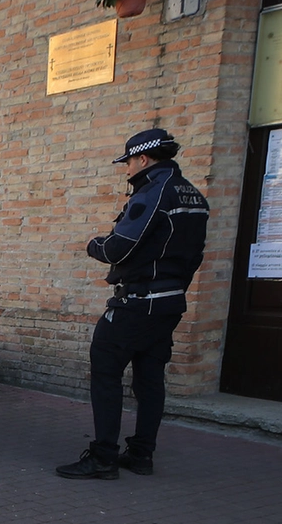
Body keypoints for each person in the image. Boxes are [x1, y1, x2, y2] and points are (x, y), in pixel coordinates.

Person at [56, 128, 210, 480]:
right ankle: (141, 455)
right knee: (150, 380)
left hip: (138, 302)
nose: (126, 170)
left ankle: (104, 457)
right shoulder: (195, 197)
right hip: (170, 304)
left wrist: (95, 244)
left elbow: (118, 247)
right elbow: (195, 254)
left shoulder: (154, 193)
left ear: (143, 159)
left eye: (128, 162)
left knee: (106, 373)